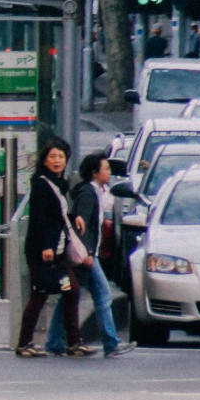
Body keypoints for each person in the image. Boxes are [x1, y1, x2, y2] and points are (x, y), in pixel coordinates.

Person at [44, 153, 131, 357]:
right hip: (86, 256)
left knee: (69, 297)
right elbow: (80, 224)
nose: (109, 172)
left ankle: (54, 341)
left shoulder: (95, 192)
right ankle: (111, 343)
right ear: (95, 172)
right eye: (106, 168)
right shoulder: (87, 194)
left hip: (86, 255)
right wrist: (89, 252)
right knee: (102, 295)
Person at [14, 140, 86, 358]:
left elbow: (58, 214)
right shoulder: (41, 185)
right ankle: (24, 343)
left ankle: (73, 342)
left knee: (71, 291)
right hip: (42, 252)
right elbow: (39, 218)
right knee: (39, 295)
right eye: (53, 156)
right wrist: (46, 246)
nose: (57, 161)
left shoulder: (59, 184)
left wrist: (74, 218)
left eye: (61, 156)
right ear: (44, 159)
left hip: (59, 250)